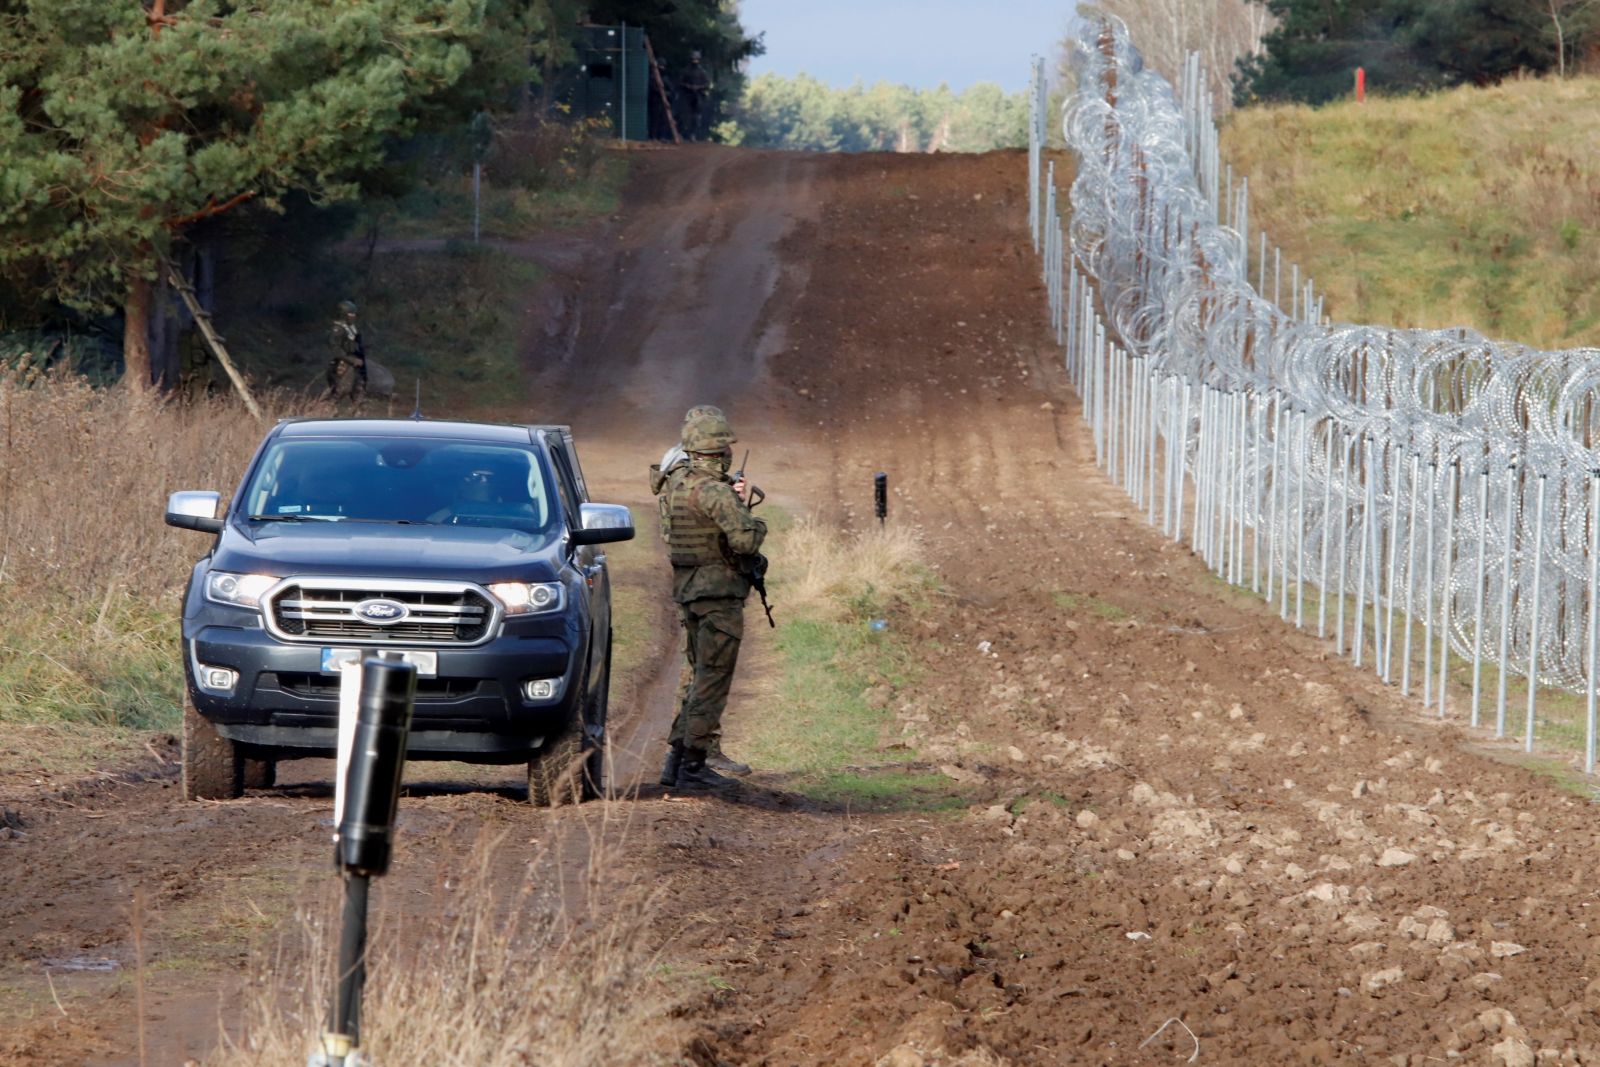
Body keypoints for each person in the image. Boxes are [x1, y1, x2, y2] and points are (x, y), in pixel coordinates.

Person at [658, 408, 766, 791]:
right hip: (718, 595)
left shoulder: (677, 483)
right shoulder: (715, 491)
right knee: (712, 682)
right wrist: (752, 516)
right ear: (719, 452)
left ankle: (676, 762)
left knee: (700, 677)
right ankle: (693, 767)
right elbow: (745, 540)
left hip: (689, 591)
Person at [327, 299, 367, 412]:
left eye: (354, 314)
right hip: (342, 365)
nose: (353, 316)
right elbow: (335, 349)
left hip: (353, 366)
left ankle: (361, 417)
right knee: (340, 391)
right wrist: (350, 359)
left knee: (358, 391)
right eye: (350, 314)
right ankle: (325, 412)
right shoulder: (338, 329)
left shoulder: (351, 328)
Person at [677, 51, 712, 142]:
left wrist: (699, 87)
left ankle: (692, 134)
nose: (695, 61)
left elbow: (707, 84)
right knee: (684, 116)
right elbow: (680, 82)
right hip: (687, 96)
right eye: (693, 59)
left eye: (696, 59)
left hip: (698, 96)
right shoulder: (686, 71)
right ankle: (683, 134)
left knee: (696, 117)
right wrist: (688, 86)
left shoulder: (702, 72)